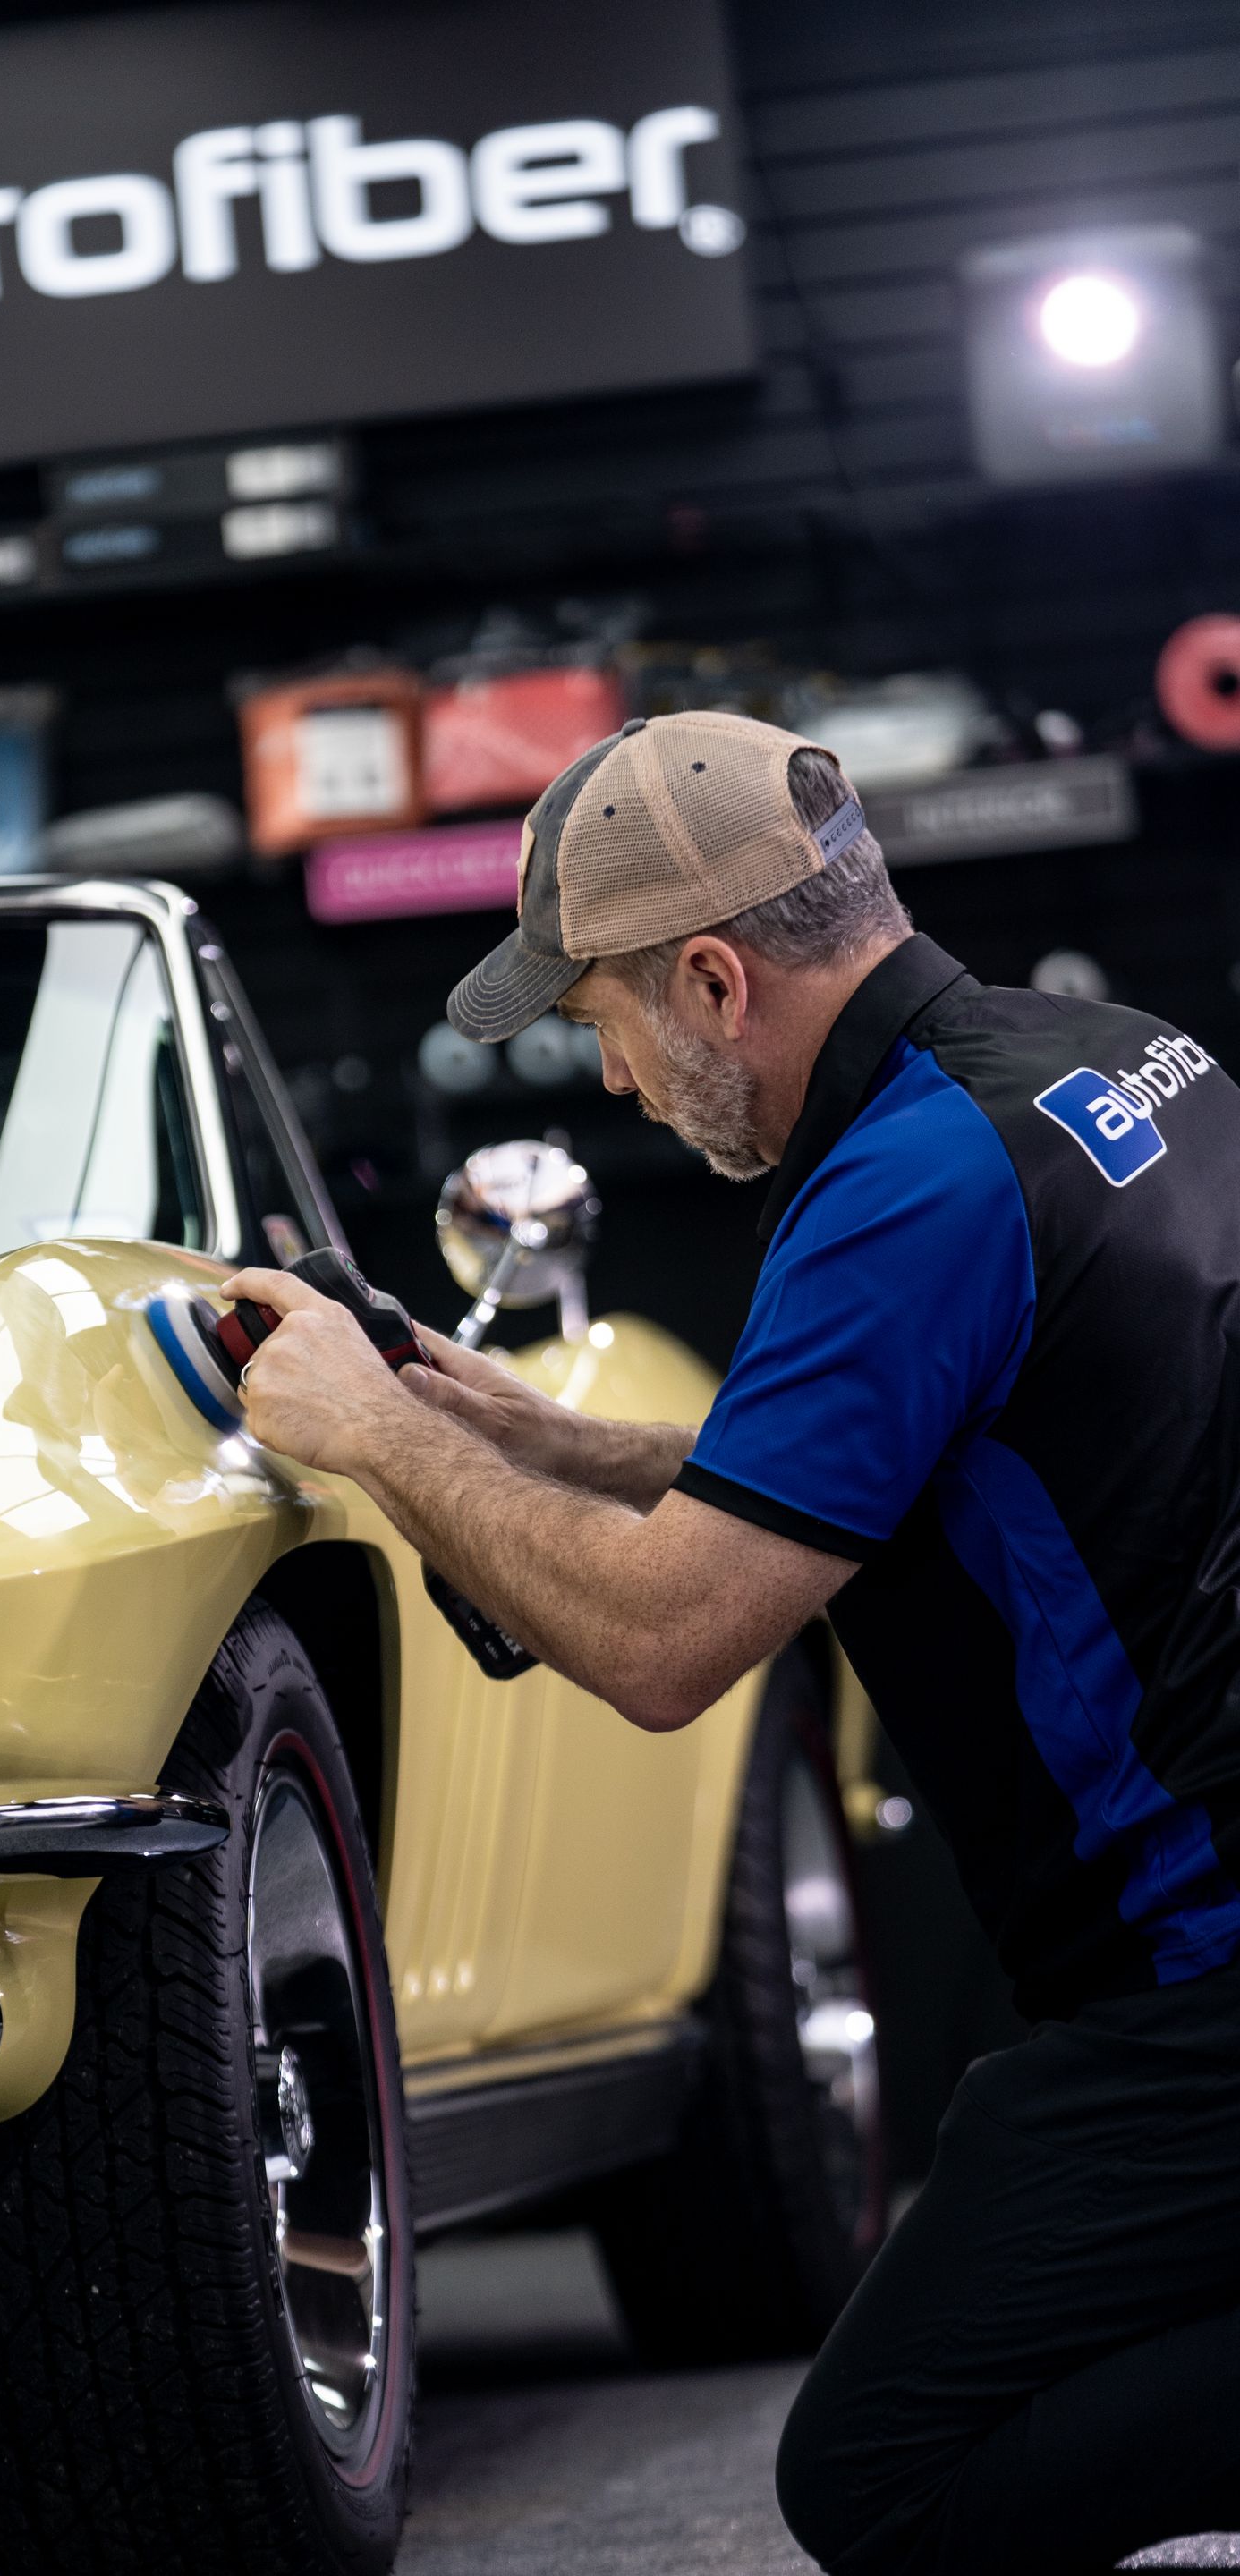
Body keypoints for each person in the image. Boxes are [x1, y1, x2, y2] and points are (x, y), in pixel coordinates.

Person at [221, 708, 1240, 2576]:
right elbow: (935, 1460)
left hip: (1204, 1995)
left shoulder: (896, 1200)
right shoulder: (1119, 1068)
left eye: (601, 1018)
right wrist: (513, 1429)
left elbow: (671, 1642)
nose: (613, 1078)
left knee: (883, 2476)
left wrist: (362, 1436)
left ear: (711, 977)